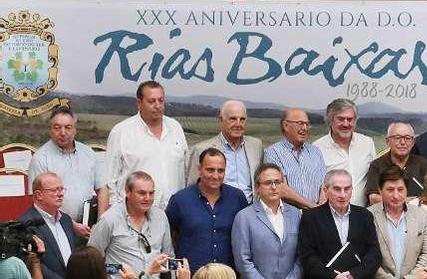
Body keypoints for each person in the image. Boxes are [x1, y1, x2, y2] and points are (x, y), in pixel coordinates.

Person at [89, 171, 174, 279]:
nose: (148, 198)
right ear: (127, 192)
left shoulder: (161, 217)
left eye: (151, 193)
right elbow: (92, 259)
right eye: (142, 193)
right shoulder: (109, 220)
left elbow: (168, 255)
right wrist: (117, 269)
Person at [298, 169, 380, 279]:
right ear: (325, 190)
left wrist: (353, 276)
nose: (343, 194)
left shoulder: (364, 215)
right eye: (337, 189)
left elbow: (374, 254)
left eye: (347, 189)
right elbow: (308, 257)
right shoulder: (311, 217)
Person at [106, 80, 188, 209]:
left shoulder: (175, 128)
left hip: (173, 213)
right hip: (135, 214)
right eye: (152, 101)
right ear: (139, 103)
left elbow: (184, 171)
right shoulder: (121, 131)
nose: (157, 105)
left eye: (161, 100)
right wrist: (118, 213)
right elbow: (110, 179)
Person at [166, 148, 249, 273]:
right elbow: (168, 237)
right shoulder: (180, 200)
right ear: (199, 169)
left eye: (220, 171)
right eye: (210, 170)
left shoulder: (237, 198)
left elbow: (246, 234)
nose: (215, 176)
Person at [29, 108, 108, 237]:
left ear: (75, 129)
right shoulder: (40, 159)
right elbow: (39, 200)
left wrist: (101, 223)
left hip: (90, 228)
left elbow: (103, 188)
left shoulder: (88, 153)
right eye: (57, 127)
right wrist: (71, 225)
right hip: (56, 229)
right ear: (50, 130)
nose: (63, 132)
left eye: (68, 127)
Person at [185, 100, 263, 201]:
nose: (238, 124)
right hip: (219, 209)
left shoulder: (256, 145)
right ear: (221, 120)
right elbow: (193, 187)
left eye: (242, 119)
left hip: (250, 210)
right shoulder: (201, 149)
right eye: (233, 119)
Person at [314, 98, 377, 207]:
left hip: (363, 214)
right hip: (331, 216)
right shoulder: (317, 148)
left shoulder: (367, 143)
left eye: (350, 119)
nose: (346, 124)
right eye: (341, 119)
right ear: (330, 120)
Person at [263, 108, 327, 209]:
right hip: (290, 216)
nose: (305, 128)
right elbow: (282, 189)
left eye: (307, 124)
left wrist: (321, 209)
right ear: (286, 126)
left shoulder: (315, 151)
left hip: (317, 215)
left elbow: (325, 184)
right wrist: (313, 207)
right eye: (300, 123)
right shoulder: (273, 153)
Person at [365, 123, 427, 205]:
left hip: (418, 214)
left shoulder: (422, 163)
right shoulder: (377, 165)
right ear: (387, 141)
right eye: (397, 138)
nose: (403, 142)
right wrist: (405, 202)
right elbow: (373, 198)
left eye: (407, 138)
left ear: (413, 142)